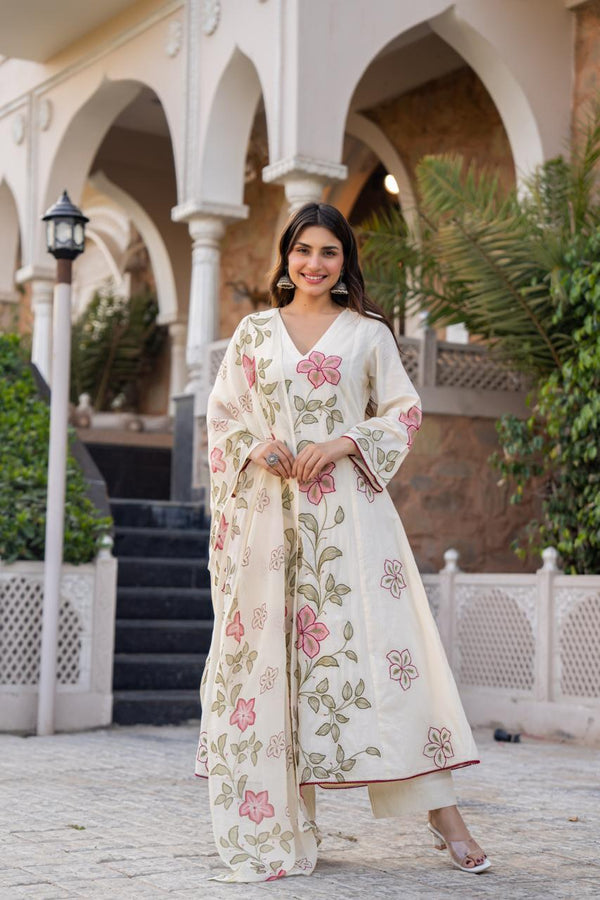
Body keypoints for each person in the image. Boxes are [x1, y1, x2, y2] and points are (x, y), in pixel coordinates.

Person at [195, 202, 490, 883]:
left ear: (344, 261)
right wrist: (256, 443)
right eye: (304, 250)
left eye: (329, 252)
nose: (314, 264)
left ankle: (446, 819)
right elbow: (224, 413)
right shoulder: (255, 333)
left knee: (387, 660)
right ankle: (284, 821)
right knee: (275, 666)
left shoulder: (367, 335)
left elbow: (403, 410)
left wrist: (342, 441)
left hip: (350, 524)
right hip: (270, 522)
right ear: (287, 256)